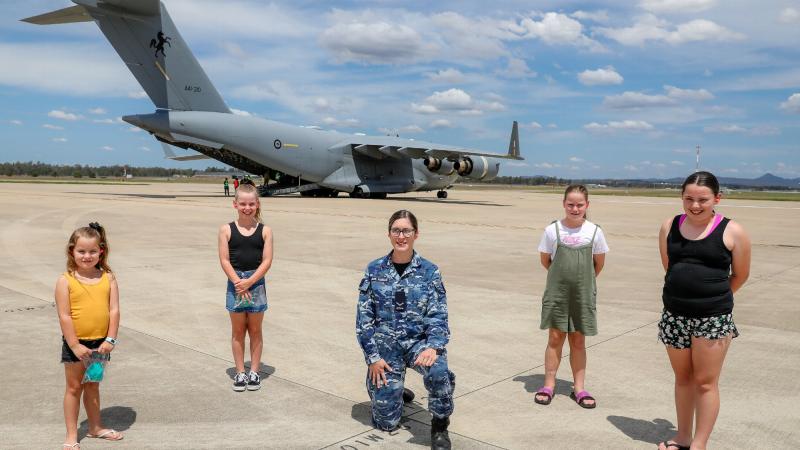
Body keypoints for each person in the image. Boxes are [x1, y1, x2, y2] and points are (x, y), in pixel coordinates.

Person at [657, 171, 751, 450]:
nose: (695, 205)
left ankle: (699, 444)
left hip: (712, 319)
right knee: (683, 379)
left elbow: (741, 275)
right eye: (688, 198)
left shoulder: (733, 231)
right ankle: (683, 437)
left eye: (702, 199)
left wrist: (711, 300)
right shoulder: (669, 226)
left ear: (717, 198)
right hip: (674, 315)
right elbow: (670, 266)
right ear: (682, 198)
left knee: (705, 382)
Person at [356, 210, 455, 450]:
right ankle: (392, 389)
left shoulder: (429, 271)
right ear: (389, 234)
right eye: (396, 231)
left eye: (406, 231)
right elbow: (364, 319)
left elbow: (438, 313)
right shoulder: (375, 269)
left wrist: (434, 346)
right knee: (386, 423)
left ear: (416, 234)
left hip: (418, 343)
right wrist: (373, 358)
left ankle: (440, 425)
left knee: (438, 370)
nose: (401, 236)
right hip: (386, 347)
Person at [534, 185, 609, 408]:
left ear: (587, 205)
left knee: (578, 340)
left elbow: (598, 264)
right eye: (570, 204)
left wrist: (581, 280)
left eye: (579, 205)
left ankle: (579, 387)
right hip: (557, 293)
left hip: (582, 294)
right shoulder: (552, 230)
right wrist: (562, 279)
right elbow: (545, 260)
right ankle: (549, 384)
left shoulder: (595, 231)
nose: (575, 209)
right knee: (555, 338)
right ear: (563, 204)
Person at [55, 222, 123, 448]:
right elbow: (64, 316)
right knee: (74, 388)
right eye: (81, 251)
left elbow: (114, 310)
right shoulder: (66, 280)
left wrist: (110, 339)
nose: (87, 256)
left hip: (100, 344)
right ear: (71, 251)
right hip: (77, 344)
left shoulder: (108, 277)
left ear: (101, 251)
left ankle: (95, 428)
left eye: (92, 251)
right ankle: (71, 435)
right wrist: (74, 345)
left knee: (93, 385)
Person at [218, 183, 273, 391]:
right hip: (235, 283)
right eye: (243, 204)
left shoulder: (265, 231)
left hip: (256, 283)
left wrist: (250, 282)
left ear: (257, 204)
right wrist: (238, 283)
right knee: (238, 330)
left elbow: (267, 261)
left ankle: (254, 372)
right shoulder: (226, 230)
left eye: (251, 203)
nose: (247, 208)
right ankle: (240, 372)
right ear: (235, 204)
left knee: (256, 330)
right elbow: (224, 260)